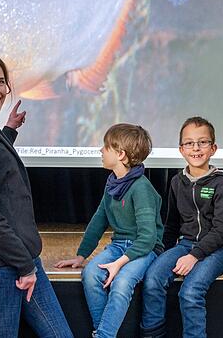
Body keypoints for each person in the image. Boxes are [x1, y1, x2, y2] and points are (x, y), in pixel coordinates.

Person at [0, 50, 73, 338]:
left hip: (21, 260)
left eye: (1, 82)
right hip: (0, 269)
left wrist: (8, 130)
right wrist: (23, 266)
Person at [56, 123, 163, 338]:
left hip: (144, 249)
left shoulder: (141, 188)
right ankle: (104, 332)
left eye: (106, 147)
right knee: (90, 273)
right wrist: (81, 256)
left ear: (121, 154)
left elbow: (148, 238)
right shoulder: (113, 182)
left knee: (122, 282)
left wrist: (120, 263)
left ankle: (103, 335)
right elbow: (99, 218)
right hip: (119, 246)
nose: (101, 151)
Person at [140, 117, 223, 338]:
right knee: (153, 278)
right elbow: (172, 224)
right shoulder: (177, 182)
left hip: (218, 250)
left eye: (202, 142)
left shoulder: (222, 184)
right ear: (181, 149)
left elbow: (222, 230)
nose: (196, 148)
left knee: (190, 292)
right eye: (189, 143)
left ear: (213, 148)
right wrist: (161, 254)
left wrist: (195, 255)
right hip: (185, 245)